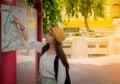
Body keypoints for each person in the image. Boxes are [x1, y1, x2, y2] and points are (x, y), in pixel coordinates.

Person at [12, 14, 71, 84]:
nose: (46, 35)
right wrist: (21, 25)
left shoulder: (60, 59)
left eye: (50, 35)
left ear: (55, 40)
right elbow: (28, 39)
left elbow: (61, 80)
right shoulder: (44, 48)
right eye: (48, 33)